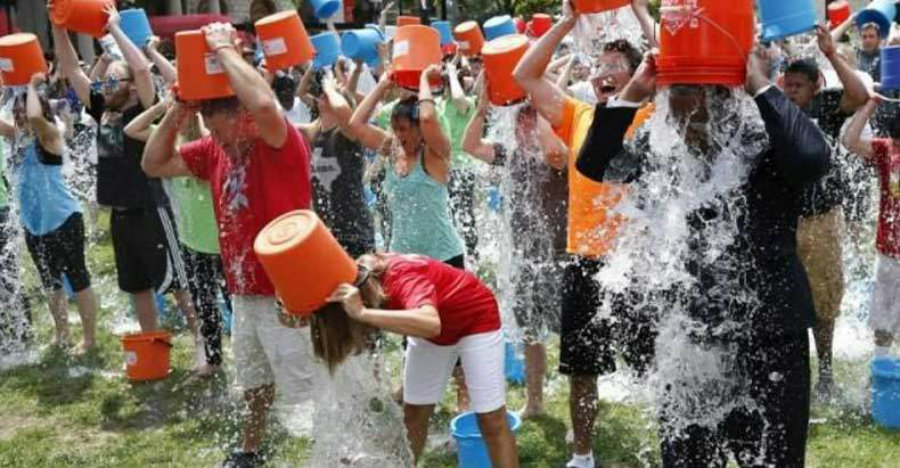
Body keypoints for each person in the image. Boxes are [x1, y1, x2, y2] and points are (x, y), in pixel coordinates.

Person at [576, 39, 829, 467]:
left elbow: (810, 159)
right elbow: (595, 163)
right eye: (674, 92)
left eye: (694, 91)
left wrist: (756, 81)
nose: (682, 108)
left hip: (769, 338)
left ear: (726, 96)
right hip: (691, 341)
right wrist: (634, 93)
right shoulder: (664, 150)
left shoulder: (762, 141)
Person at [142, 22, 316, 468]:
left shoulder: (279, 141)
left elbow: (262, 101)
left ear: (242, 116)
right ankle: (251, 450)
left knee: (308, 389)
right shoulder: (214, 150)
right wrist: (179, 111)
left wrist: (222, 47)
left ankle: (335, 454)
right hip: (244, 289)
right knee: (254, 380)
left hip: (288, 290)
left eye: (219, 131)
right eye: (210, 133)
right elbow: (154, 162)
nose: (215, 142)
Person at [513, 0, 650, 465]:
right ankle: (582, 454)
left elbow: (669, 61)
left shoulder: (653, 114)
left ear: (637, 75)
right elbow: (525, 77)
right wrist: (567, 22)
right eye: (599, 65)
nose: (603, 72)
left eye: (615, 66)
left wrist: (640, 9)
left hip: (640, 262)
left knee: (655, 361)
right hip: (585, 259)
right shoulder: (579, 114)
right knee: (582, 368)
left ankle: (673, 440)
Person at [52, 5, 191, 334]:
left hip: (151, 208)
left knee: (177, 284)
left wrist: (114, 28)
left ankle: (204, 344)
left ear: (129, 85)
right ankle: (151, 343)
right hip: (121, 213)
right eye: (106, 79)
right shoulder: (103, 109)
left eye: (114, 79)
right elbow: (72, 70)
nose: (105, 83)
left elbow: (142, 70)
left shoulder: (146, 105)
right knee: (137, 286)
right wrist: (58, 27)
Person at [312, 253, 519, 468]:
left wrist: (362, 313)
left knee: (491, 420)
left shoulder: (402, 277)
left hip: (476, 320)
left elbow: (430, 323)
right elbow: (294, 315)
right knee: (413, 416)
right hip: (433, 334)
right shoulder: (352, 283)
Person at [462, 81, 568, 419]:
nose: (524, 128)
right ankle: (535, 401)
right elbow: (470, 146)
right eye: (521, 122)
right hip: (525, 258)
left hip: (560, 258)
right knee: (531, 332)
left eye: (531, 121)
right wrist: (482, 106)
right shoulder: (510, 157)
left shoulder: (558, 156)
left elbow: (555, 148)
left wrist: (540, 106)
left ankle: (579, 392)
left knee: (568, 331)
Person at [129, 42, 228, 375]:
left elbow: (199, 122)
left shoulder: (205, 148)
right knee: (204, 305)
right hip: (192, 240)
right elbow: (134, 130)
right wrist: (165, 107)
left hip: (220, 242)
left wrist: (188, 102)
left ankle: (249, 357)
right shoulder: (172, 148)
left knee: (233, 303)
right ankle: (213, 359)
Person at [781, 25, 870, 399]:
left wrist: (832, 53)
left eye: (797, 86)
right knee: (785, 298)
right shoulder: (775, 109)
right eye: (787, 84)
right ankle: (791, 372)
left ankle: (827, 373)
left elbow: (861, 95)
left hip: (822, 220)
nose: (790, 92)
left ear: (816, 85)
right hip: (784, 222)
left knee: (824, 299)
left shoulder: (826, 107)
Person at [0, 73, 98, 354]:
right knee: (50, 283)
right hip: (35, 226)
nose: (20, 117)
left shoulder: (49, 135)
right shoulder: (16, 140)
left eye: (24, 111)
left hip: (64, 219)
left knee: (78, 279)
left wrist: (31, 85)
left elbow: (34, 117)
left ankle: (89, 338)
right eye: (16, 113)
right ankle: (62, 333)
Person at [348, 65, 466, 268]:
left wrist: (423, 80)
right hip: (402, 258)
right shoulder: (393, 149)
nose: (399, 135)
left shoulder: (435, 154)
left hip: (443, 258)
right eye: (395, 129)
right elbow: (356, 124)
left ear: (419, 128)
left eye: (403, 129)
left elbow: (428, 117)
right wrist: (383, 85)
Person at [843, 97, 900, 358]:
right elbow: (850, 142)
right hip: (890, 250)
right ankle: (880, 370)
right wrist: (870, 104)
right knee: (883, 319)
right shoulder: (887, 150)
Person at [296, 72, 374, 258]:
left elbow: (343, 111)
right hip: (327, 232)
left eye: (335, 93)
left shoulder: (347, 133)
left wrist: (331, 89)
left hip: (354, 229)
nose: (326, 93)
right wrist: (313, 67)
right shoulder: (313, 131)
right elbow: (300, 92)